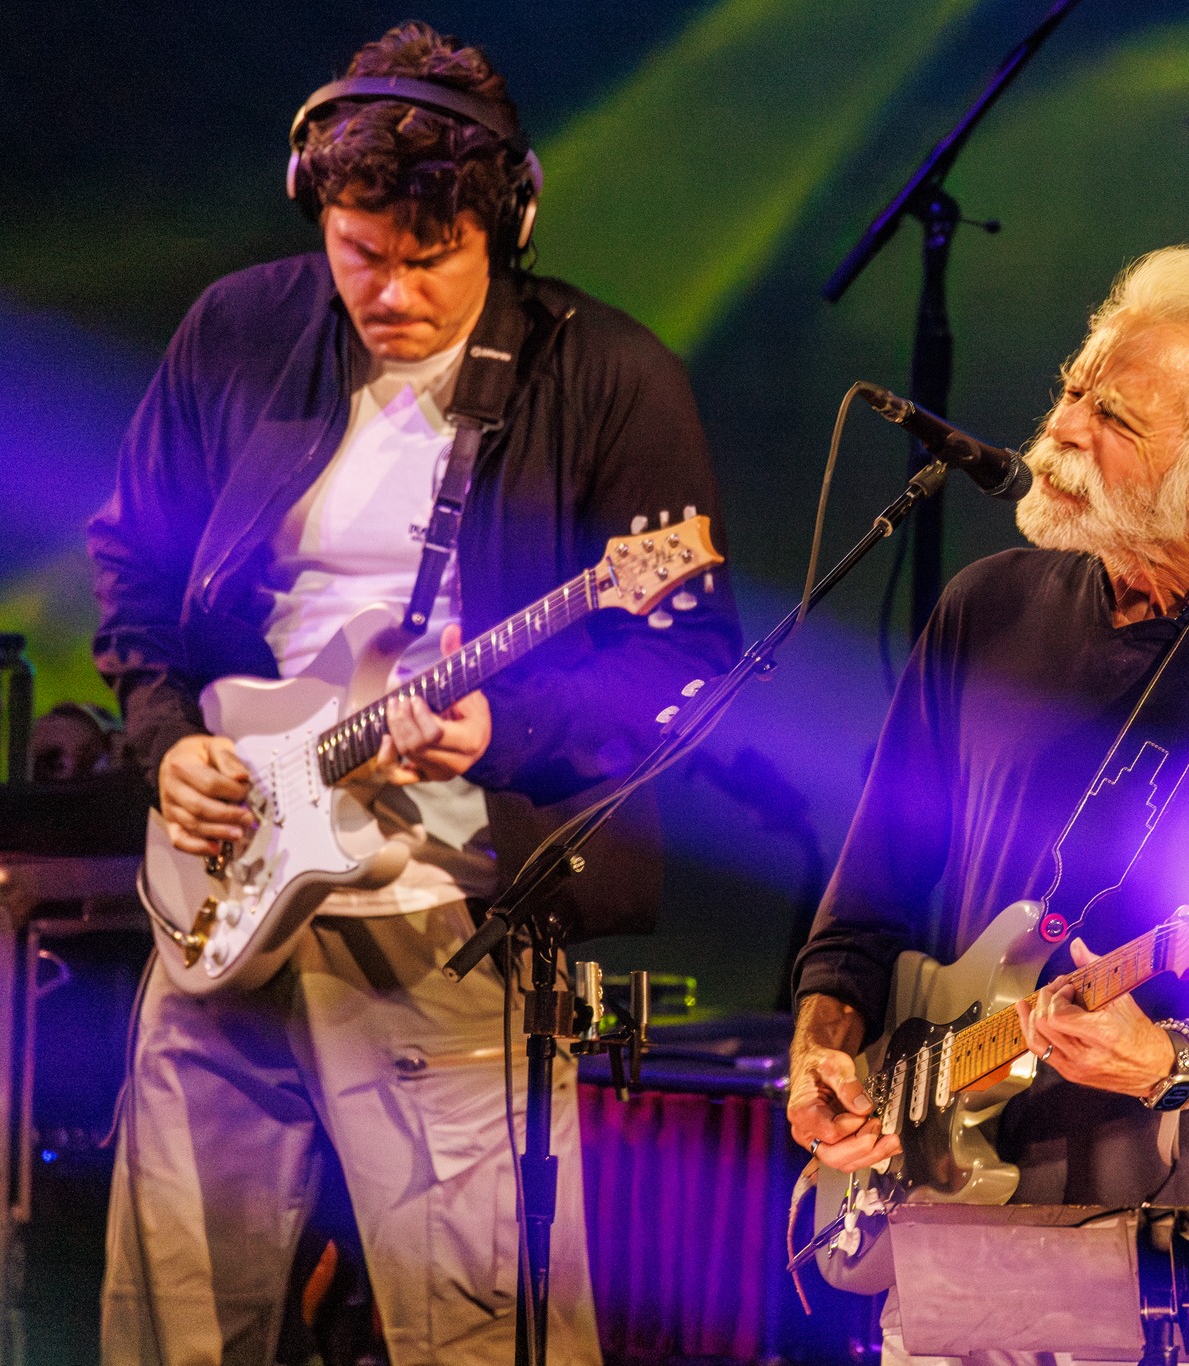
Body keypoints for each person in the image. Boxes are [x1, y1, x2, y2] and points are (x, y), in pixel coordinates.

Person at [87, 23, 738, 1365]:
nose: (388, 291)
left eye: (426, 258)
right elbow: (130, 570)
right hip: (223, 890)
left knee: (480, 1333)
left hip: (455, 914)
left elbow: (685, 665)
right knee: (173, 1322)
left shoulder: (605, 377)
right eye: (359, 251)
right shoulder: (240, 330)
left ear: (504, 225)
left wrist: (508, 724)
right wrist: (164, 749)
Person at [786, 246, 1189, 1361]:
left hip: (1153, 1261)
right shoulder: (983, 607)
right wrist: (823, 1046)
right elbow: (865, 901)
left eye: (1109, 411)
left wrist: (1170, 1057)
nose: (1058, 426)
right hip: (942, 1219)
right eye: (1072, 384)